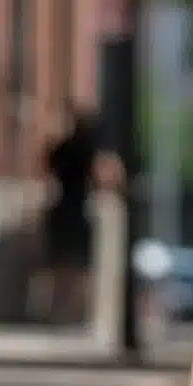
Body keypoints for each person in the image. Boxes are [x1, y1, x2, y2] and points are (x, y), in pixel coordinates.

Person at [40, 104, 124, 325]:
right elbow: (105, 178)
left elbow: (47, 165)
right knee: (77, 267)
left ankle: (60, 311)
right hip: (78, 212)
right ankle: (72, 312)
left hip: (62, 210)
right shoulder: (88, 152)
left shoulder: (63, 150)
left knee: (62, 265)